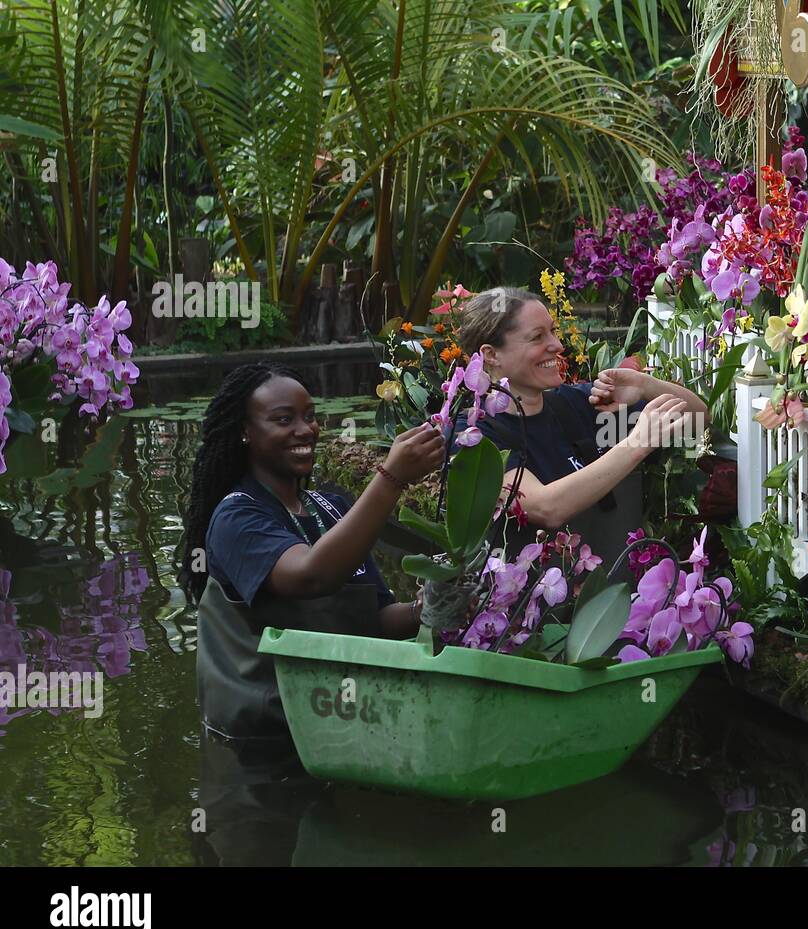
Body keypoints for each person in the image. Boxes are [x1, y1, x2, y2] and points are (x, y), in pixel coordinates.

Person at [179, 362, 443, 740]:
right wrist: (391, 478)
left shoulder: (331, 507)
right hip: (261, 743)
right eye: (283, 419)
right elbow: (310, 575)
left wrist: (429, 608)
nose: (304, 430)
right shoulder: (236, 517)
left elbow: (376, 620)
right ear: (245, 432)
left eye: (310, 417)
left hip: (342, 725)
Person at [452, 288, 708, 566]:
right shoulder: (474, 433)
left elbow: (697, 420)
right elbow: (545, 507)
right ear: (491, 355)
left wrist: (645, 385)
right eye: (537, 337)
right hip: (525, 607)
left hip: (611, 601)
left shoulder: (576, 405)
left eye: (552, 331)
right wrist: (637, 443)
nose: (557, 345)